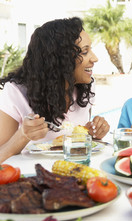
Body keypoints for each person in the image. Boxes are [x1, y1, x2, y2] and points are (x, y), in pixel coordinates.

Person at [0, 17, 110, 163]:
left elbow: (78, 139)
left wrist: (93, 133)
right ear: (60, 59)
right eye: (84, 52)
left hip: (74, 173)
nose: (94, 58)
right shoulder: (15, 92)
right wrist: (23, 134)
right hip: (32, 177)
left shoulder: (85, 87)